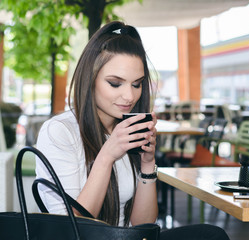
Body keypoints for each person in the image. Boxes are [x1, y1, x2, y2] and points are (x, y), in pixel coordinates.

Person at [35, 21, 230, 240]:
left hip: (126, 237)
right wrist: (107, 155)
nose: (129, 96)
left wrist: (147, 164)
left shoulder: (126, 128)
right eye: (115, 84)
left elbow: (143, 225)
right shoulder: (59, 132)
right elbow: (72, 229)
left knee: (211, 235)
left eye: (136, 84)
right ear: (90, 80)